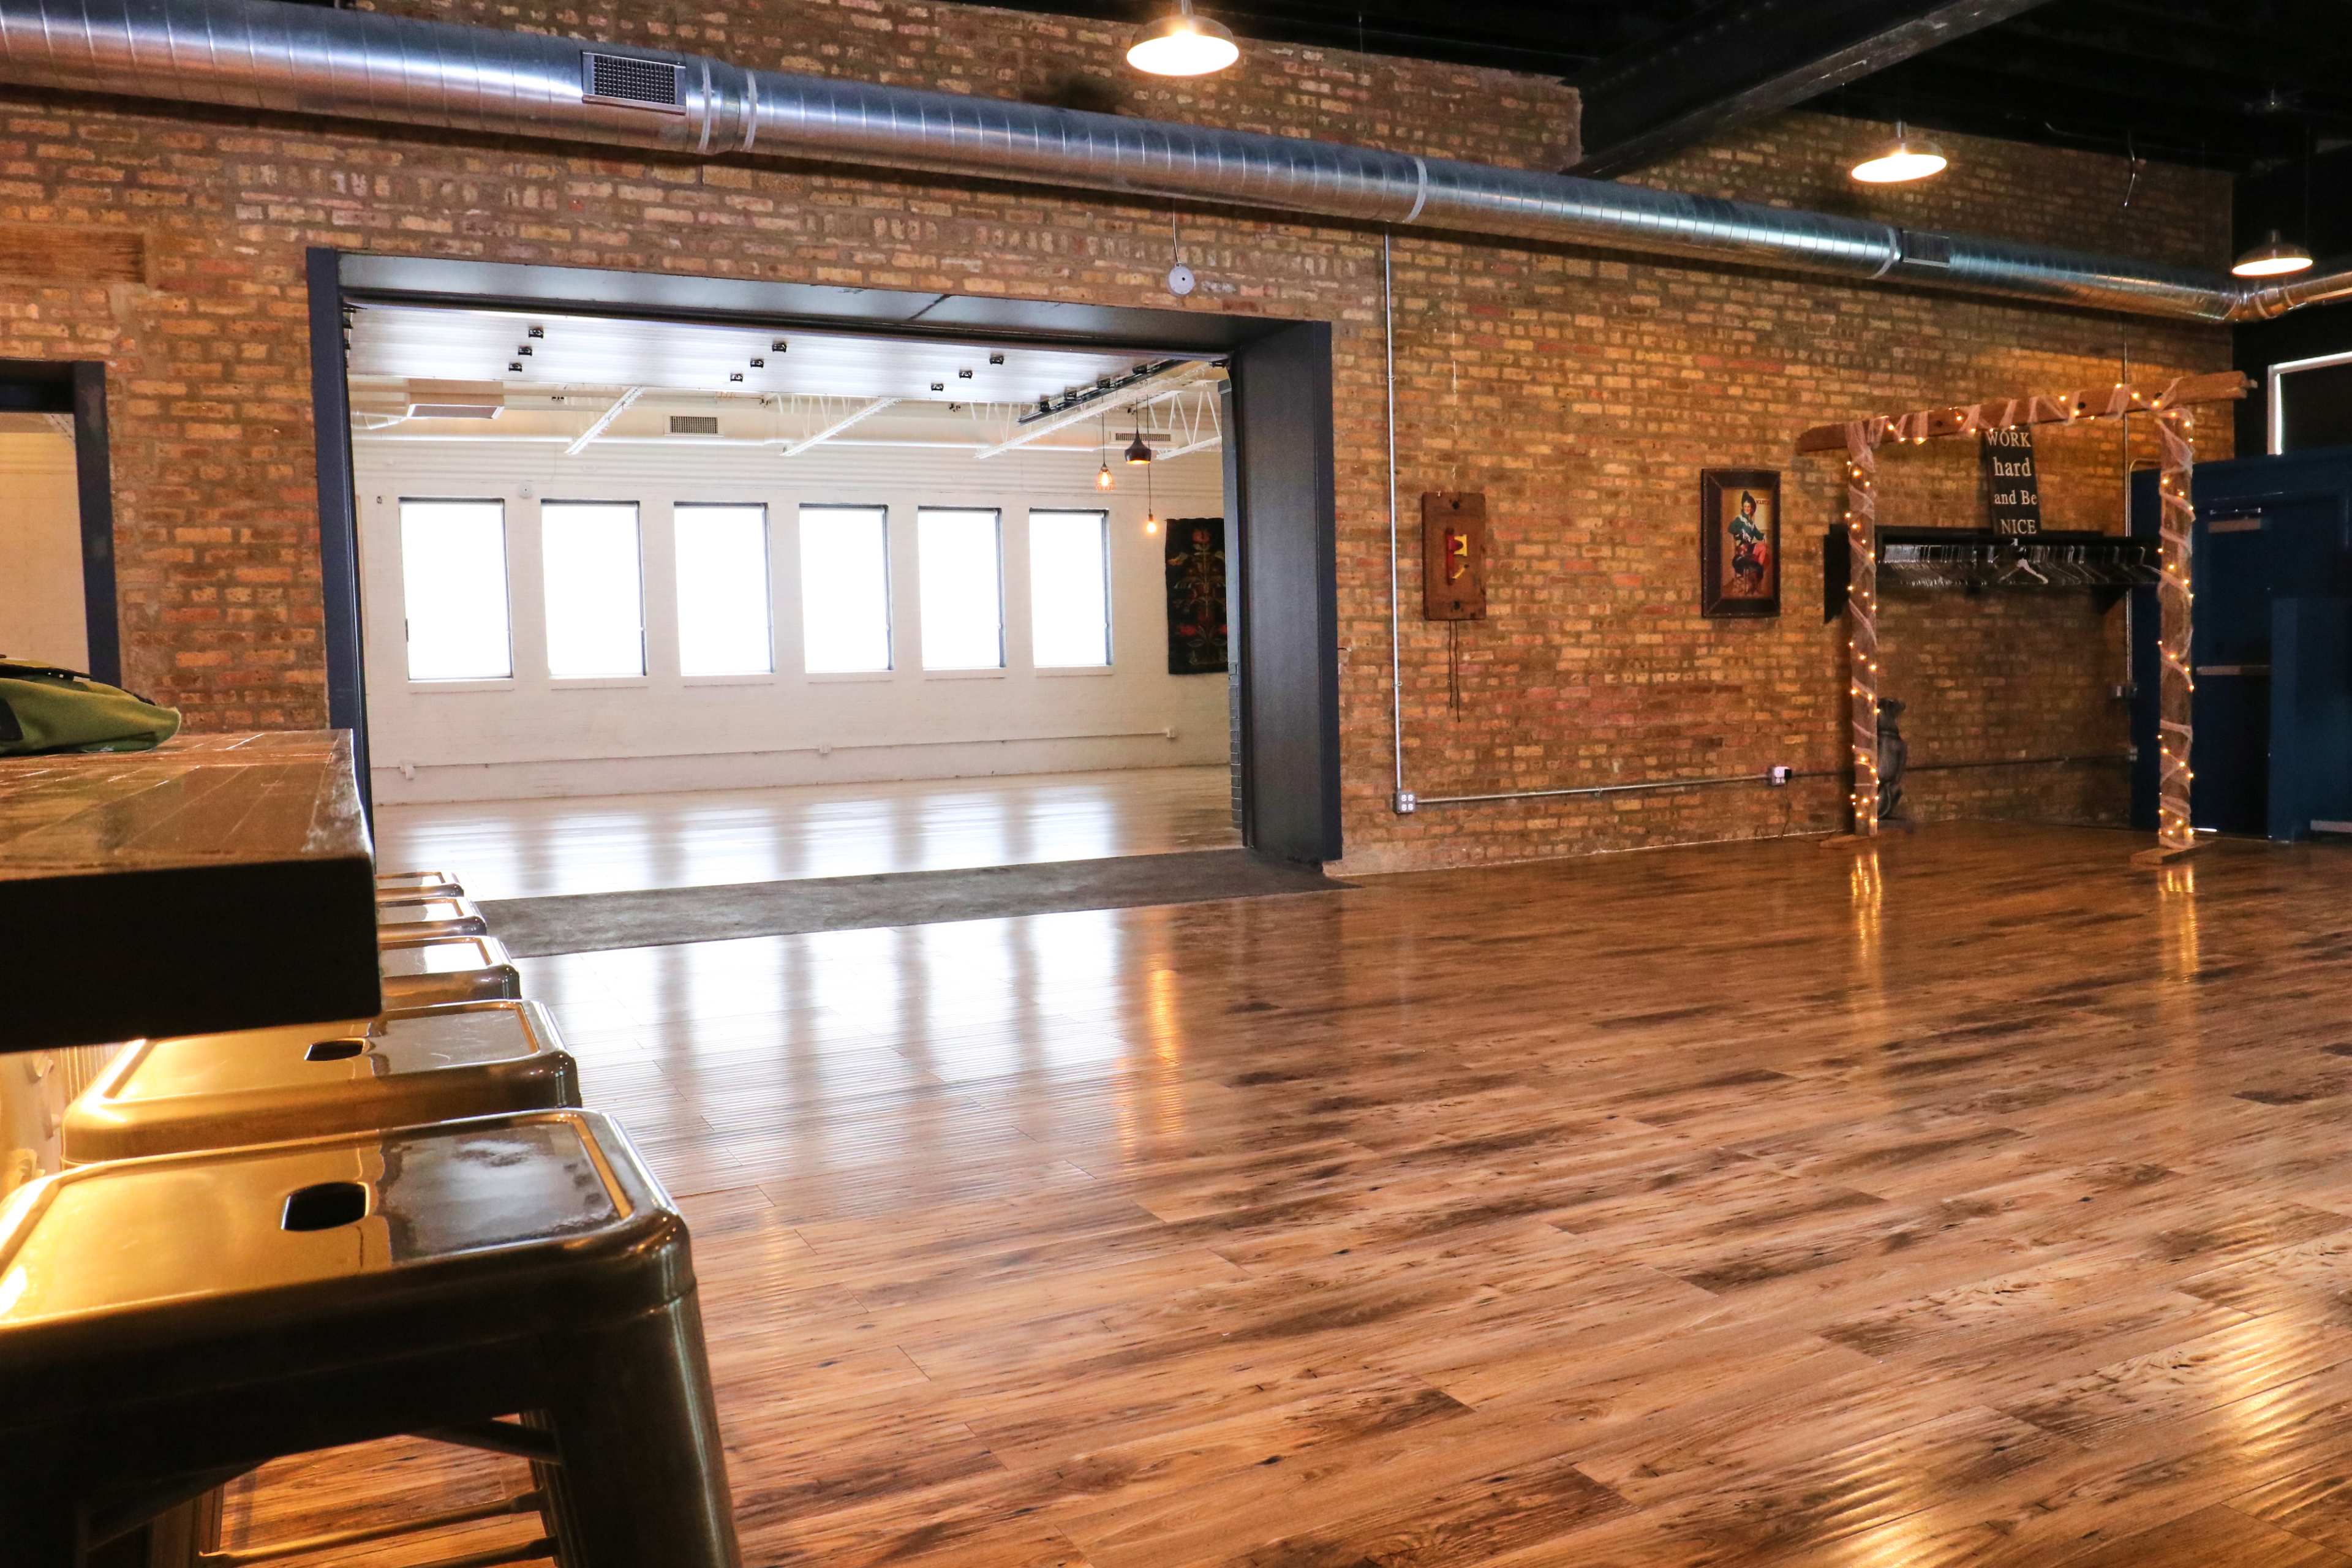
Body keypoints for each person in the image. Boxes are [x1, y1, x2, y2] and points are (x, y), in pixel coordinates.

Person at [1728, 490, 1769, 594]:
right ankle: (1754, 579)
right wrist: (1739, 531)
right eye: (1745, 506)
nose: (1747, 508)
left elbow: (1758, 535)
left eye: (1749, 507)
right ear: (1743, 507)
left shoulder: (1751, 523)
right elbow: (1731, 529)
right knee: (1757, 554)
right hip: (1742, 551)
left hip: (1750, 548)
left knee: (1763, 547)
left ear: (1752, 509)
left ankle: (1755, 576)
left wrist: (1764, 536)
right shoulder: (1739, 519)